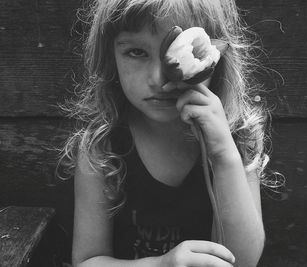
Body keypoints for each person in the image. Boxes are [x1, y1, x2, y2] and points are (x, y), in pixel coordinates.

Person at [59, 0, 274, 266]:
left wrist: (223, 155)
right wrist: (161, 264)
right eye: (137, 52)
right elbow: (87, 260)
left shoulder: (237, 136)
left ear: (216, 55)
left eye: (180, 50)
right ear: (109, 57)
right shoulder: (102, 145)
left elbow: (242, 261)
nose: (160, 78)